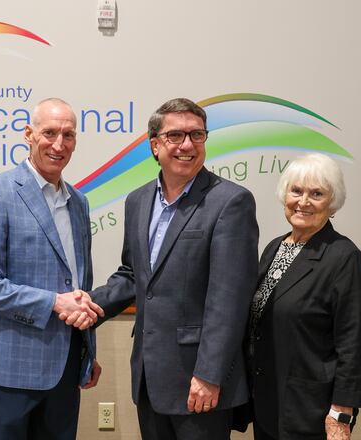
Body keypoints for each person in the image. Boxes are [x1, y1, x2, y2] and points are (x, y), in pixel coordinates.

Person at [90, 98, 259, 440]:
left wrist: (209, 375)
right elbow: (133, 274)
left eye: (197, 135)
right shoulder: (137, 201)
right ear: (154, 145)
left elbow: (229, 300)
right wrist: (89, 305)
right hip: (149, 377)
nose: (187, 145)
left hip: (197, 381)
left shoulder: (230, 201)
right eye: (175, 135)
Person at [0, 97, 102, 440]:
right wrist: (54, 302)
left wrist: (87, 349)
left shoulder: (78, 202)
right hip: (12, 368)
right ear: (28, 134)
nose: (59, 144)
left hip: (66, 365)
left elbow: (79, 281)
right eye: (49, 132)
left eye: (68, 135)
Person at [245, 153, 361, 440]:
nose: (303, 202)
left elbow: (355, 344)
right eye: (296, 191)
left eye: (316, 193)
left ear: (333, 201)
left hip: (311, 411)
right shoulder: (274, 248)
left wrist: (342, 413)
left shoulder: (345, 258)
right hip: (268, 402)